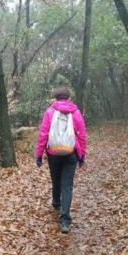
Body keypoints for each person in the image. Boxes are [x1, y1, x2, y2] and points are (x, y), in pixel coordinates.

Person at [35, 87, 86, 233]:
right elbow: (82, 135)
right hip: (71, 153)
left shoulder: (50, 112)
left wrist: (39, 155)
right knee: (67, 185)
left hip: (53, 153)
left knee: (55, 179)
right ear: (68, 97)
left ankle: (56, 202)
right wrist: (82, 155)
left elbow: (43, 134)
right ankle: (65, 220)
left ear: (56, 98)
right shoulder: (75, 112)